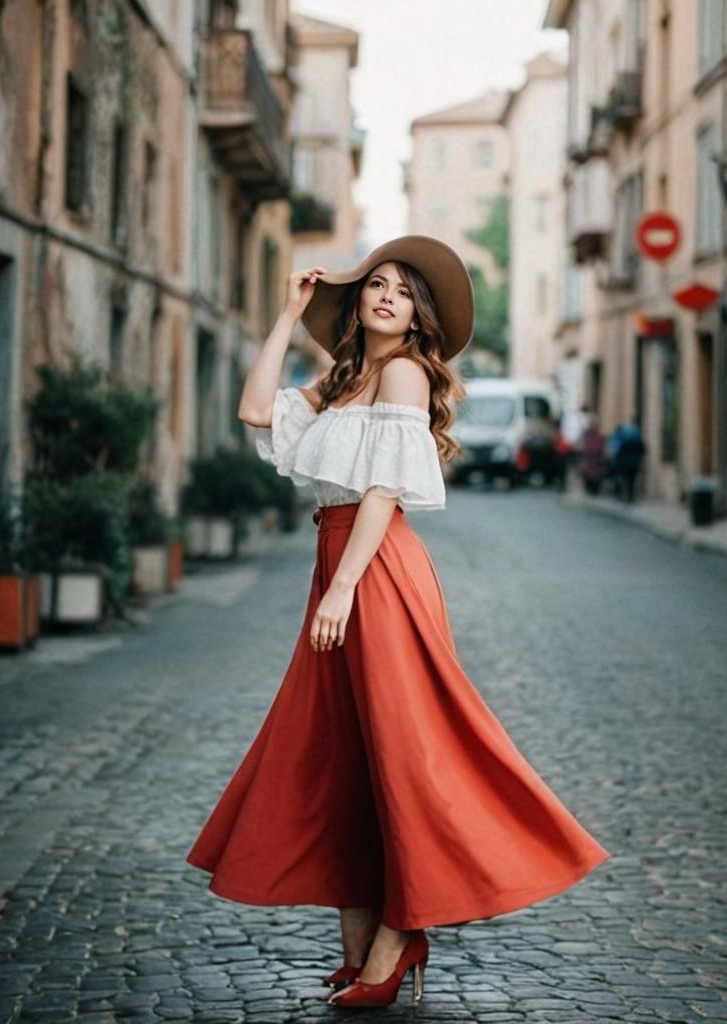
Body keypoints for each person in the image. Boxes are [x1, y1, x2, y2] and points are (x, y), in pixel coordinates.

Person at [185, 235, 611, 1009]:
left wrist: (343, 590)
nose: (386, 297)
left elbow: (382, 489)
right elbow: (254, 410)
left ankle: (399, 934)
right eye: (375, 285)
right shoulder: (345, 379)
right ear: (358, 303)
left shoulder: (408, 374)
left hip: (374, 570)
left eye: (403, 291)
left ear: (418, 318)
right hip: (337, 560)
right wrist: (286, 313)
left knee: (402, 750)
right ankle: (363, 947)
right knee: (343, 750)